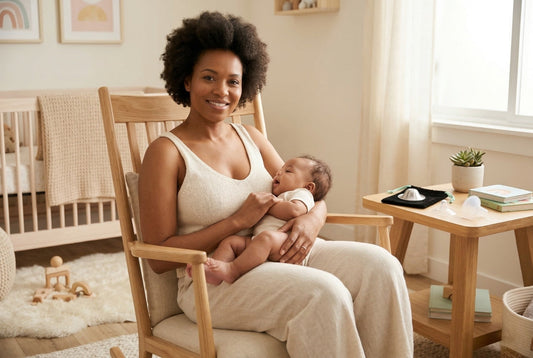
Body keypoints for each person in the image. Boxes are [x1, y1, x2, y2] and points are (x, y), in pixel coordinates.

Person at [139, 11, 413, 358]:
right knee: (323, 293)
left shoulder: (251, 136)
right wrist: (236, 222)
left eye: (233, 81)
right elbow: (159, 257)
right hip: (216, 280)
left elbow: (308, 191)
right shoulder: (166, 153)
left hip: (280, 256)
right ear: (187, 80)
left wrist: (313, 219)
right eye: (209, 77)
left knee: (382, 266)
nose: (222, 91)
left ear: (246, 84)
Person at [196, 155, 332, 285]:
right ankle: (212, 271)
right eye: (281, 169)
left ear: (309, 187)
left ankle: (233, 270)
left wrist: (265, 206)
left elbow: (294, 211)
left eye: (288, 171)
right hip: (260, 242)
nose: (278, 173)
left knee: (266, 238)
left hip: (283, 243)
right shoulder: (282, 195)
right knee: (231, 242)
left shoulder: (302, 194)